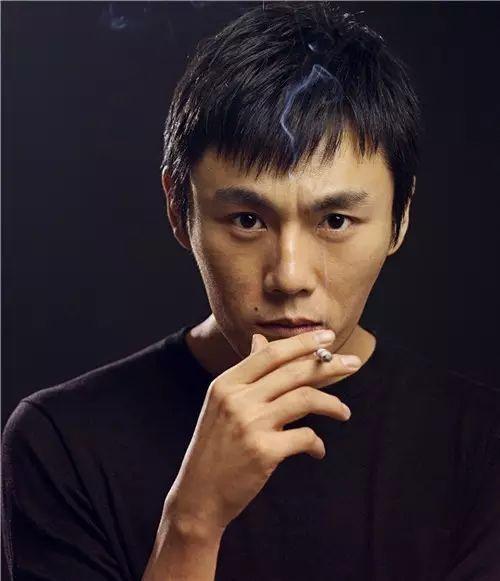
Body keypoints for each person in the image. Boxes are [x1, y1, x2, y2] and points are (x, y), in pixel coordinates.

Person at [2, 3, 499, 580]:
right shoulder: (60, 443)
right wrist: (193, 521)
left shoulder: (482, 444)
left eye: (335, 221)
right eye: (247, 220)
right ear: (178, 209)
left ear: (399, 218)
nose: (289, 276)